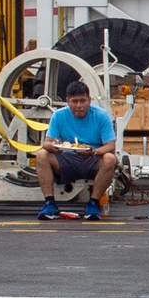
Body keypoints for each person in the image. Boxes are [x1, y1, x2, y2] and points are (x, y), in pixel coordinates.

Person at [36, 80, 117, 222]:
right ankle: (50, 203)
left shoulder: (101, 116)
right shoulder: (59, 115)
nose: (79, 106)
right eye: (74, 101)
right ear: (67, 101)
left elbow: (110, 146)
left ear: (89, 100)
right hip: (67, 158)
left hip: (93, 158)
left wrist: (94, 152)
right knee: (42, 155)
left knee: (110, 158)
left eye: (83, 101)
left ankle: (93, 203)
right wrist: (54, 146)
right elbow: (47, 143)